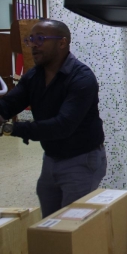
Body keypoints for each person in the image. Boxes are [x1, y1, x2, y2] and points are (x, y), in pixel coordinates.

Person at [0, 19, 106, 218]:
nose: (33, 44)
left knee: (73, 226)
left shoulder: (81, 78)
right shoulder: (34, 76)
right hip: (51, 159)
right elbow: (9, 105)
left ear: (62, 42)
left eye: (40, 39)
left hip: (81, 161)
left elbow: (62, 126)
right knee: (50, 223)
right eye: (31, 39)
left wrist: (10, 129)